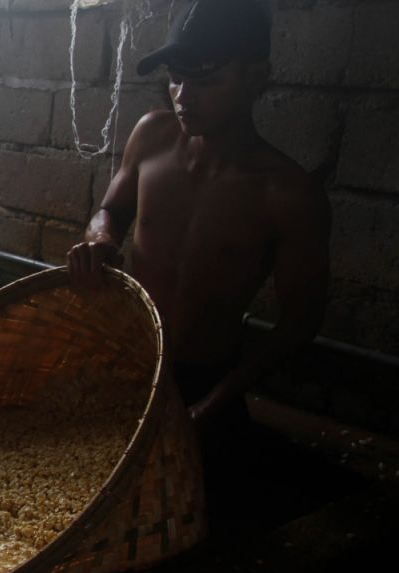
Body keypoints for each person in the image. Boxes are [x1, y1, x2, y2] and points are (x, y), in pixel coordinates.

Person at [66, 0, 330, 518]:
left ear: (258, 77)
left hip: (206, 381)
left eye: (206, 80)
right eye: (177, 78)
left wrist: (212, 407)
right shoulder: (153, 134)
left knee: (184, 520)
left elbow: (300, 324)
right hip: (130, 361)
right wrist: (101, 239)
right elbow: (110, 210)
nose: (184, 97)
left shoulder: (287, 195)